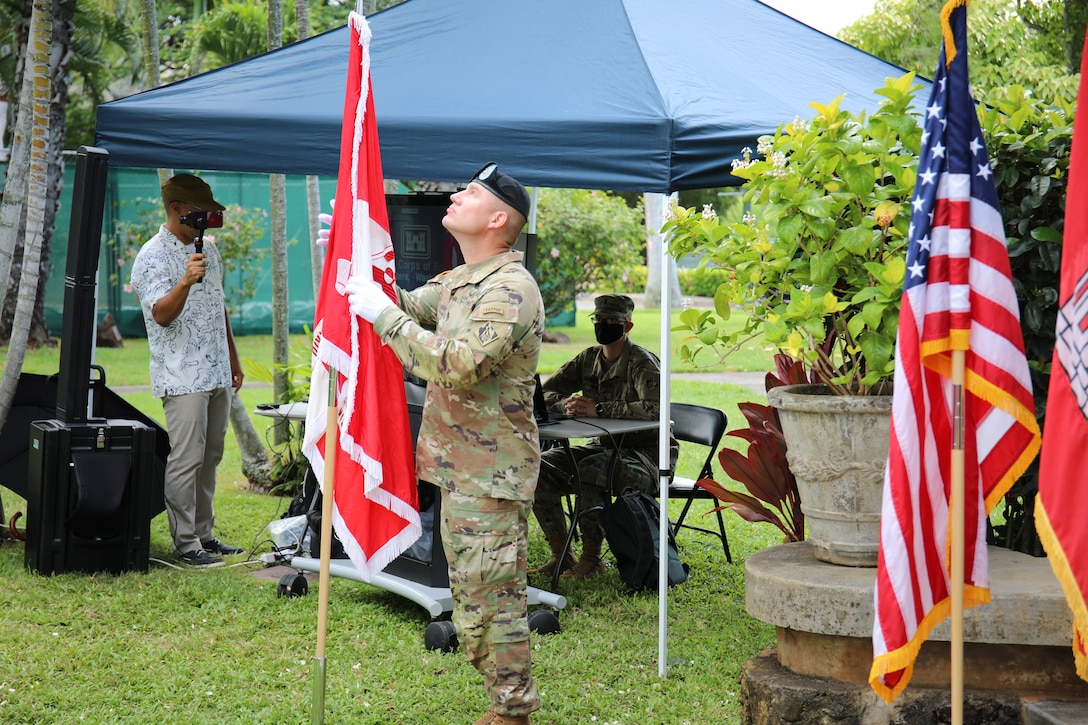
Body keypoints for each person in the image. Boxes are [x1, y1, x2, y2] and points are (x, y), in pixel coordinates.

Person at [344, 162, 544, 725]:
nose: (456, 196)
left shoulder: (511, 289)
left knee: (494, 598)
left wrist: (381, 314)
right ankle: (504, 704)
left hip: (492, 471)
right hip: (461, 466)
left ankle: (513, 713)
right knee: (473, 597)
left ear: (498, 218)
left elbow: (458, 365)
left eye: (471, 193)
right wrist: (359, 261)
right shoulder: (461, 280)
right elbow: (409, 308)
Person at [129, 174, 245, 568]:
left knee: (211, 454)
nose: (207, 217)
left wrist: (233, 356)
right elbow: (161, 313)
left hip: (215, 369)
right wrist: (184, 280)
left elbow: (218, 305)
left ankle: (205, 533)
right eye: (200, 210)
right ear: (177, 209)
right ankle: (186, 542)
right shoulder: (150, 257)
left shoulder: (209, 250)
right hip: (181, 376)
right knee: (187, 456)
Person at [531, 294, 677, 580]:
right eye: (598, 320)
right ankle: (561, 556)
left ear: (628, 326)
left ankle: (591, 559)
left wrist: (599, 409)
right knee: (539, 467)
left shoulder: (642, 363)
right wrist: (567, 405)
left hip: (646, 459)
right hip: (602, 447)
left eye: (612, 322)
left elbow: (658, 409)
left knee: (591, 471)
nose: (603, 326)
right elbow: (545, 393)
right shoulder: (588, 358)